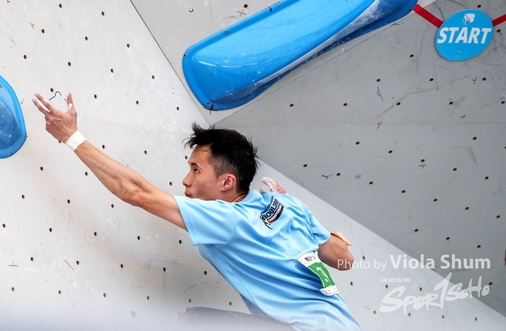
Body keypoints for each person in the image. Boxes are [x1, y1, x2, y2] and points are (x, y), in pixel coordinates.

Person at [32, 92, 362, 331]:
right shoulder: (287, 205)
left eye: (195, 170)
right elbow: (343, 260)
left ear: (227, 182)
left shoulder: (227, 218)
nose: (185, 181)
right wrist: (301, 220)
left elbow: (136, 192)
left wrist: (71, 137)